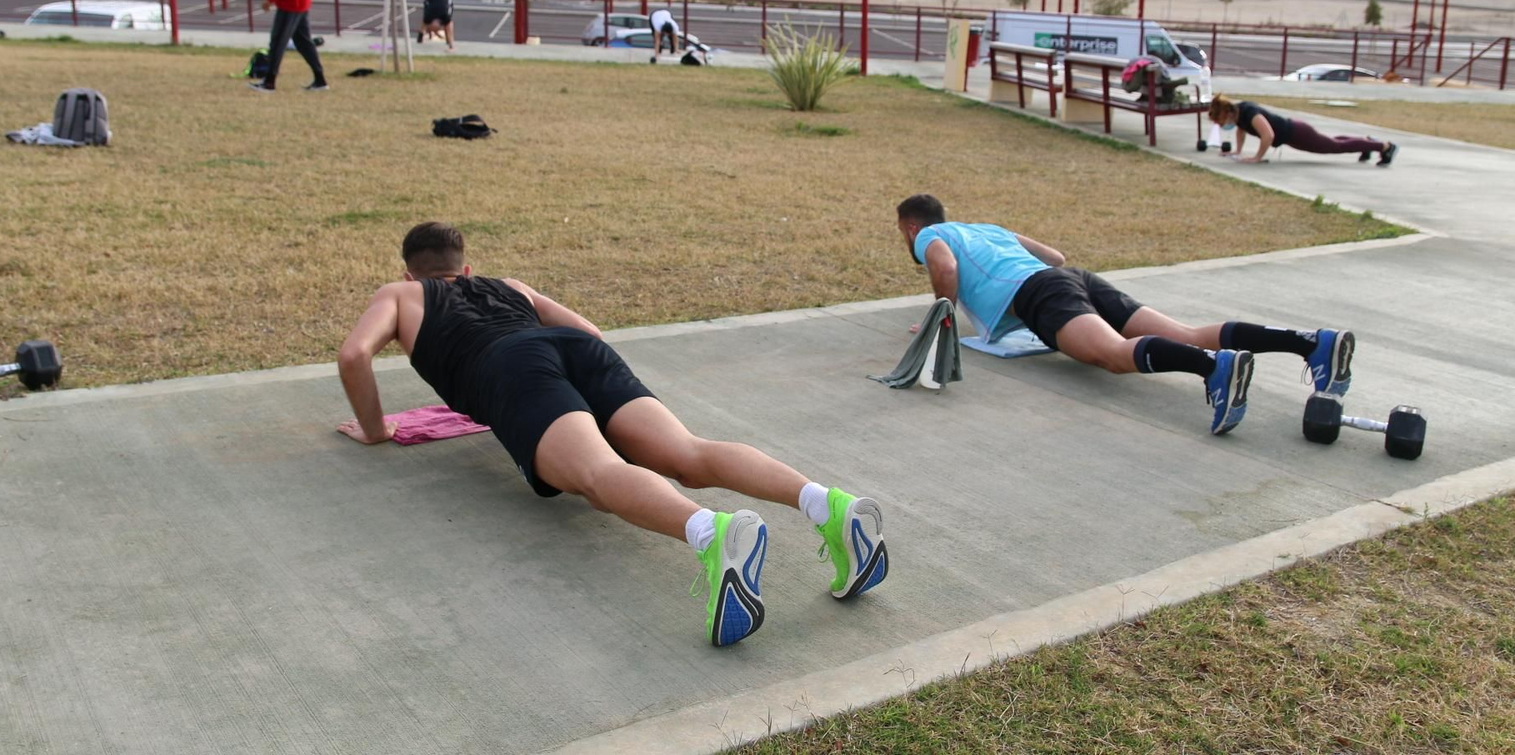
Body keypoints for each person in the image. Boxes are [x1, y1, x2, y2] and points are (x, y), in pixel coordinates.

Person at [335, 222, 889, 647]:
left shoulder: (401, 295)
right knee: (687, 453)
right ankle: (829, 505)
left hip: (512, 372)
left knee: (600, 477)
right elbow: (589, 331)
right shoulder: (509, 286)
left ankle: (711, 535)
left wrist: (376, 429)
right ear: (466, 266)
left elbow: (355, 354)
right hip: (576, 351)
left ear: (412, 274)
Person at [894, 194, 1356, 436]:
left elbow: (945, 266)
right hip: (1071, 278)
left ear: (912, 226)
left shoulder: (927, 236)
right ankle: (1313, 343)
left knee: (1113, 356)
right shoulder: (986, 228)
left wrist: (943, 314)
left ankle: (1215, 369)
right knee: (1188, 331)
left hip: (1039, 293)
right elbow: (1055, 255)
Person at [1209, 95, 1396, 166]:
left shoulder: (1249, 112)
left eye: (1220, 121)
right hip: (1294, 134)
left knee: (1334, 147)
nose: (1221, 125)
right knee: (1333, 142)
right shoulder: (1240, 115)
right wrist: (1238, 151)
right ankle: (1367, 142)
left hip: (1297, 132)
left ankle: (1384, 146)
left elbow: (1268, 135)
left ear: (1226, 112)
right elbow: (1241, 131)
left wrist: (1257, 157)